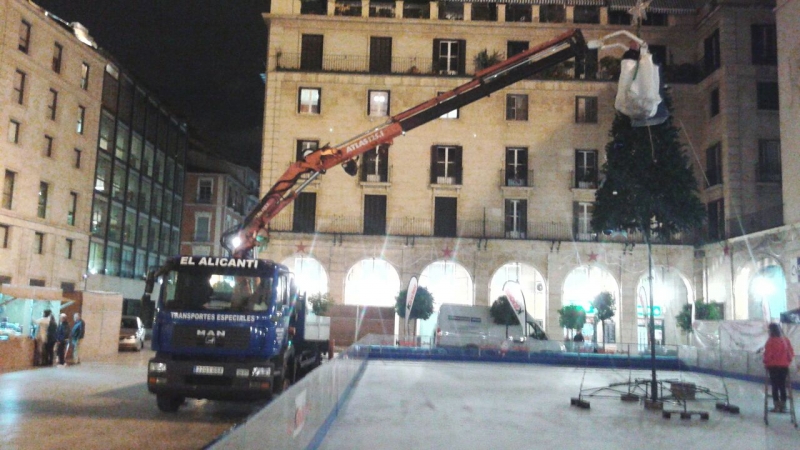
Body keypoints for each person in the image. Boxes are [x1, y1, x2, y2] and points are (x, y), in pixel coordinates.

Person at [763, 323, 796, 413]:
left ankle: (776, 405)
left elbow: (767, 355)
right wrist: (786, 362)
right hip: (784, 367)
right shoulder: (785, 340)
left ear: (771, 331)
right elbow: (791, 354)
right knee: (782, 385)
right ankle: (783, 405)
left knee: (775, 386)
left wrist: (765, 362)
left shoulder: (770, 342)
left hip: (773, 367)